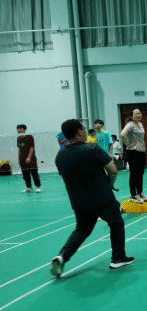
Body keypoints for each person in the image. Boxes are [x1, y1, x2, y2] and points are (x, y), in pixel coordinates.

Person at [50, 119, 135, 278]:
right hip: (101, 196)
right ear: (79, 132)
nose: (85, 131)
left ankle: (61, 257)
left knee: (82, 230)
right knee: (116, 223)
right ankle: (118, 258)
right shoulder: (92, 148)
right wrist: (110, 183)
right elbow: (113, 170)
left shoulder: (60, 156)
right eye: (83, 129)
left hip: (78, 201)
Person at [120, 109, 147, 203]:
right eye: (136, 114)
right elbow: (122, 134)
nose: (138, 115)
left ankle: (139, 193)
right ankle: (133, 194)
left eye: (139, 113)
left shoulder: (140, 124)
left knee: (140, 173)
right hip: (133, 151)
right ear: (131, 116)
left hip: (141, 150)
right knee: (134, 173)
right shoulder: (130, 124)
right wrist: (128, 144)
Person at [16, 124, 41, 193]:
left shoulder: (30, 137)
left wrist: (29, 157)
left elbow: (32, 147)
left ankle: (38, 187)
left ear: (24, 130)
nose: (18, 130)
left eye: (20, 129)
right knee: (25, 174)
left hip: (31, 159)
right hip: (22, 159)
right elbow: (19, 149)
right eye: (17, 129)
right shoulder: (18, 138)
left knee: (34, 173)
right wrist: (19, 158)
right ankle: (29, 187)